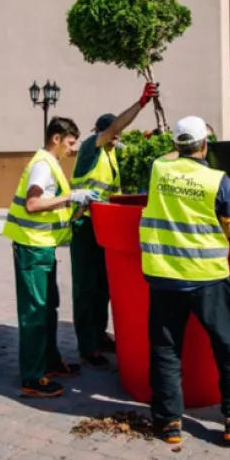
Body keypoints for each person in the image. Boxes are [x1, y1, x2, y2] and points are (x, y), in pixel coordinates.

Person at [141, 116, 230, 446]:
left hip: (164, 275)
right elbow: (228, 229)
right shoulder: (218, 181)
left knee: (166, 349)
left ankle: (169, 422)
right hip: (206, 277)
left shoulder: (159, 170)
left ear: (176, 146)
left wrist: (182, 148)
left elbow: (171, 158)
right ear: (205, 145)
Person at [3, 117, 101, 398]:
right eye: (70, 143)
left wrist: (77, 206)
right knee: (35, 312)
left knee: (47, 308)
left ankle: (49, 361)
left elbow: (51, 208)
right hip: (32, 248)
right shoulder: (43, 166)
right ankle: (32, 377)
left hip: (42, 248)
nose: (72, 149)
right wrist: (72, 197)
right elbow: (34, 204)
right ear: (56, 138)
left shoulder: (50, 165)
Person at [70, 82, 160, 370]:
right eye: (113, 133)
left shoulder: (112, 153)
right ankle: (87, 346)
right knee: (86, 289)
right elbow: (114, 128)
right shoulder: (89, 147)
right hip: (83, 226)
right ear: (102, 131)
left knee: (103, 287)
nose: (116, 137)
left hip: (103, 228)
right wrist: (140, 103)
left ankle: (99, 334)